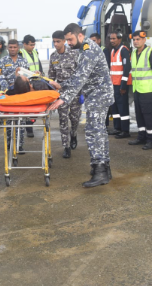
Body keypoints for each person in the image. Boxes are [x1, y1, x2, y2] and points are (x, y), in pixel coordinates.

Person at [48, 23, 114, 188]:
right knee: (99, 131)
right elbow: (78, 75)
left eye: (70, 39)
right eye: (67, 40)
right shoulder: (83, 50)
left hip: (99, 96)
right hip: (97, 95)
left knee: (94, 132)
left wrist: (63, 98)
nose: (69, 43)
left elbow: (80, 78)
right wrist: (61, 85)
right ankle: (103, 168)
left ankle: (100, 171)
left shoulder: (88, 49)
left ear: (79, 35)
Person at [48, 30, 82, 159]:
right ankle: (66, 146)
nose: (56, 44)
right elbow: (51, 77)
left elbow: (80, 75)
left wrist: (82, 92)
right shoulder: (53, 57)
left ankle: (73, 134)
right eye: (54, 42)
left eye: (58, 41)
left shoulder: (74, 54)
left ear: (64, 41)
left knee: (75, 118)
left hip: (74, 92)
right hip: (61, 93)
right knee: (63, 119)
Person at [128, 30, 152, 150]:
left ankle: (151, 140)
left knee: (149, 116)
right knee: (139, 115)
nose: (135, 42)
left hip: (147, 91)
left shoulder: (150, 52)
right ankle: (141, 137)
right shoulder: (133, 53)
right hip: (137, 89)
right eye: (134, 40)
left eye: (138, 39)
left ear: (144, 40)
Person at [107, 31, 132, 139]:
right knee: (115, 107)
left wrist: (123, 85)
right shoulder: (113, 50)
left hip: (121, 85)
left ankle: (125, 130)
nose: (111, 41)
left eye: (114, 38)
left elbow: (127, 69)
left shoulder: (124, 50)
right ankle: (117, 128)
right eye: (110, 39)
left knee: (123, 108)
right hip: (113, 84)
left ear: (119, 39)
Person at [20, 34, 43, 137]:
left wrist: (41, 73)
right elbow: (21, 69)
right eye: (31, 45)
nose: (32, 47)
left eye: (34, 45)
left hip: (36, 82)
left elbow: (39, 65)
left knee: (36, 105)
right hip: (27, 83)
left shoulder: (35, 52)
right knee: (28, 106)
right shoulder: (21, 54)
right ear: (24, 44)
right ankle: (29, 128)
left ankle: (30, 122)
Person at [90, 33, 112, 129]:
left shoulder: (104, 51)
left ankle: (104, 125)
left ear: (99, 40)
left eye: (94, 41)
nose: (92, 43)